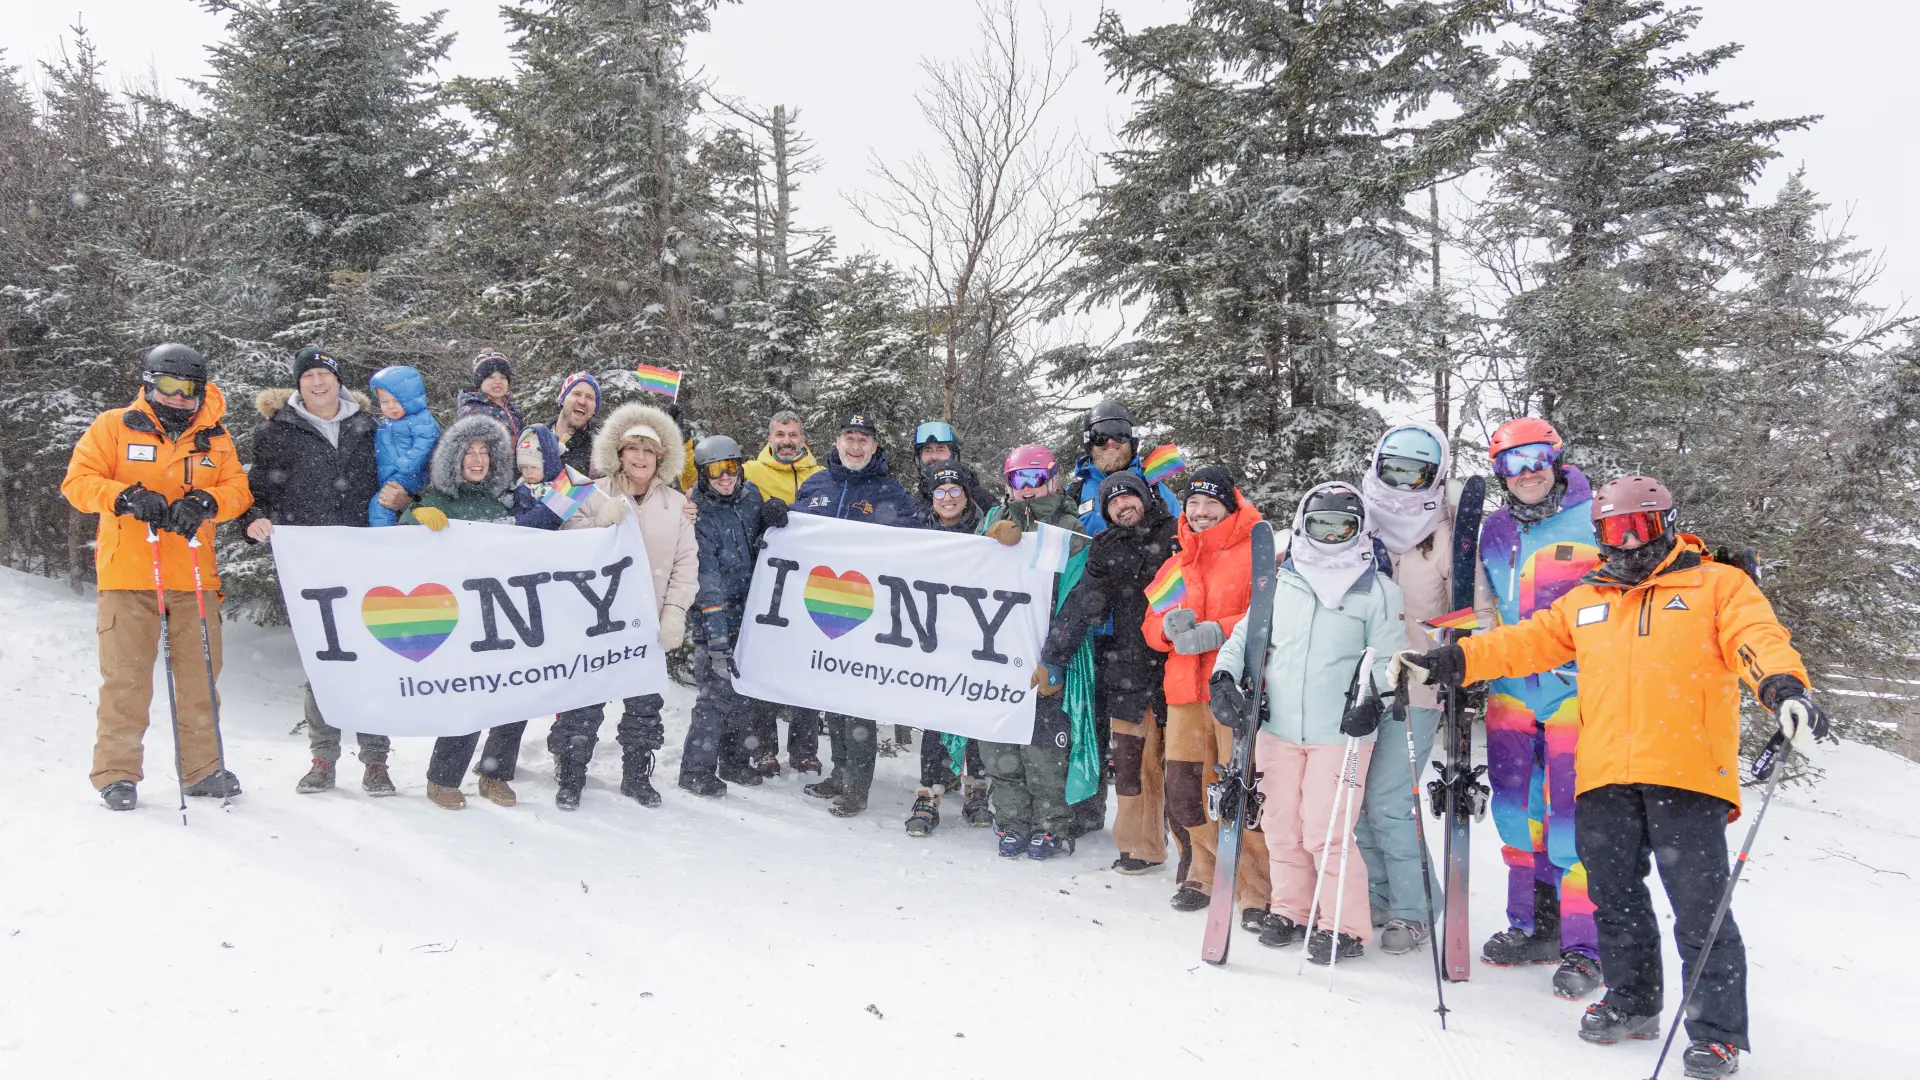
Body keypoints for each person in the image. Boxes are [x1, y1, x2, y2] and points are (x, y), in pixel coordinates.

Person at [1390, 476, 1822, 1079]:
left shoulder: (1715, 585)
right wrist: (1452, 660)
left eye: (1639, 528)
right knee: (1614, 898)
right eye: (1613, 532)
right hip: (1604, 774)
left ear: (1665, 525)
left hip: (1686, 771)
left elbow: (1757, 638)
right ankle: (1632, 1002)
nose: (1626, 543)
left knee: (1700, 908)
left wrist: (1783, 688)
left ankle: (1718, 1032)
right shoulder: (1587, 599)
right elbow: (1524, 644)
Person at [1211, 482, 1403, 963]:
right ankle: (1291, 910)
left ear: (1358, 532)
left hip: (1339, 732)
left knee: (1326, 831)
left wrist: (1373, 701)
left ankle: (1344, 925)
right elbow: (1245, 637)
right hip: (1278, 729)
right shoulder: (1280, 582)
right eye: (1321, 525)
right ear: (1303, 525)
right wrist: (1223, 676)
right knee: (1280, 827)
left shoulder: (1376, 590)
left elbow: (1387, 659)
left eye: (1344, 527)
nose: (1331, 536)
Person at [61, 343, 252, 810]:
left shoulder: (216, 437)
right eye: (168, 386)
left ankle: (203, 770)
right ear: (149, 384)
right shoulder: (114, 426)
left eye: (189, 389)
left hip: (193, 573)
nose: (179, 398)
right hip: (130, 572)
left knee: (200, 678)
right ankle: (117, 774)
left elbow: (238, 491)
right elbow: (78, 483)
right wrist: (124, 497)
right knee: (126, 679)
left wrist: (207, 503)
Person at [1468, 417, 1605, 996]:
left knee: (1573, 817)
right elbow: (1488, 606)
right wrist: (1468, 655)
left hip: (1581, 690)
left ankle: (1585, 946)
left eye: (1536, 459)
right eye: (1511, 463)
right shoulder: (1495, 529)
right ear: (1499, 471)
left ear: (1556, 457)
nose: (1526, 474)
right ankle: (1533, 925)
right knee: (1516, 811)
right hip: (1511, 689)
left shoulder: (1598, 516)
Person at [238, 347, 399, 796]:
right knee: (323, 659)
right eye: (307, 375)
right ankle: (323, 757)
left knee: (371, 656)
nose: (317, 382)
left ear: (338, 382)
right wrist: (252, 519)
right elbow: (257, 491)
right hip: (310, 563)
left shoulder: (369, 427)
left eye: (324, 374)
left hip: (367, 558)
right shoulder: (275, 432)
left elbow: (398, 476)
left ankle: (376, 761)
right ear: (298, 384)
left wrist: (406, 503)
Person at [545, 402, 698, 810]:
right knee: (585, 702)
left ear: (662, 456)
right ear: (619, 451)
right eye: (633, 448)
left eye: (649, 450)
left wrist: (675, 613)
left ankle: (636, 777)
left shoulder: (676, 505)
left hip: (649, 623)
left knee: (644, 708)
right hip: (598, 622)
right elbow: (566, 545)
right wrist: (598, 523)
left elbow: (686, 564)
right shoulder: (594, 494)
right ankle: (572, 773)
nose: (641, 457)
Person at [1142, 466, 1271, 924]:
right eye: (1193, 503)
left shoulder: (1257, 553)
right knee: (1184, 792)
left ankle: (1256, 889)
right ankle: (1206, 869)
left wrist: (1221, 631)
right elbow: (1150, 625)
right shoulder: (1177, 560)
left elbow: (1271, 615)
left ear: (1229, 505)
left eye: (1210, 504)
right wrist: (1168, 633)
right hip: (1183, 693)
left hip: (1233, 689)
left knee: (1242, 791)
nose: (1199, 512)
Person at [1352, 421, 1456, 955]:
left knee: (1389, 801)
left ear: (1434, 475)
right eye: (1393, 468)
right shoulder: (1356, 519)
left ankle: (1414, 910)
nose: (1402, 483)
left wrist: (1452, 657)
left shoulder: (1446, 532)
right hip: (1359, 689)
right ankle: (1382, 897)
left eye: (1416, 473)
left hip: (1414, 688)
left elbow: (1473, 611)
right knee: (1355, 801)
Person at [1041, 470, 1178, 872]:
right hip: (1128, 669)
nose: (1123, 505)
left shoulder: (1175, 534)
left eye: (1128, 497)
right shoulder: (1106, 546)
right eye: (1113, 502)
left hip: (1178, 669)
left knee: (1185, 772)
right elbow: (1086, 604)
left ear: (1144, 497)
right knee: (1133, 768)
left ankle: (1196, 862)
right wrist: (1055, 654)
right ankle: (1140, 847)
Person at [792, 412, 920, 816]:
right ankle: (840, 771)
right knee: (832, 693)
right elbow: (790, 536)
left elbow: (914, 546)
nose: (856, 445)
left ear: (875, 446)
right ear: (837, 440)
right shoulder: (816, 484)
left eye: (864, 439)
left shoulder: (890, 492)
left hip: (869, 610)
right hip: (821, 607)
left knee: (858, 696)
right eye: (849, 437)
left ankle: (857, 787)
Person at [402, 414, 527, 810]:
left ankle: (495, 775)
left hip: (505, 616)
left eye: (484, 452)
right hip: (459, 618)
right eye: (469, 452)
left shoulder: (501, 500)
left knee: (517, 696)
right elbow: (396, 546)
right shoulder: (439, 499)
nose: (477, 459)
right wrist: (413, 517)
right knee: (469, 699)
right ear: (454, 458)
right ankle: (442, 778)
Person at [982, 445, 1090, 858]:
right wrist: (990, 543)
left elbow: (1079, 589)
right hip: (996, 649)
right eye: (1017, 480)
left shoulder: (1069, 526)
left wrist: (1057, 652)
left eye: (1035, 479)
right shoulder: (995, 518)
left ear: (1052, 479)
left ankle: (1051, 823)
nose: (1027, 490)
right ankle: (1011, 819)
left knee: (1044, 746)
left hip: (1046, 649)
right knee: (1000, 742)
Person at [680, 434, 789, 797]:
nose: (725, 478)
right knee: (715, 692)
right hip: (714, 612)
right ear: (702, 474)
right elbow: (705, 579)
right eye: (715, 471)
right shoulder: (699, 514)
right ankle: (695, 768)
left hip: (749, 609)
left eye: (731, 468)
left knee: (743, 691)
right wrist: (717, 639)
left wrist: (774, 513)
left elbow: (763, 536)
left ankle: (734, 759)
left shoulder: (750, 495)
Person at [902, 461, 993, 836]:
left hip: (980, 636)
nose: (948, 498)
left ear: (966, 494)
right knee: (938, 713)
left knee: (976, 711)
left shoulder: (987, 528)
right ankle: (929, 792)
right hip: (935, 637)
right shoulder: (920, 532)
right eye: (940, 492)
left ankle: (977, 790)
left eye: (955, 490)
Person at [1062, 400, 1180, 536]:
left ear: (1133, 438)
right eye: (1099, 435)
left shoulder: (1156, 492)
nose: (1110, 442)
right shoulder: (1073, 496)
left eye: (1120, 434)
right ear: (1089, 442)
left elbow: (1183, 544)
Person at [366, 364, 439, 527]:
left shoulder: (422, 421)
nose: (390, 406)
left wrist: (409, 463)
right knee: (382, 504)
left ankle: (385, 540)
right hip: (393, 475)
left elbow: (425, 443)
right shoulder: (387, 424)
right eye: (384, 402)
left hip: (411, 476)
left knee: (379, 506)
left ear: (411, 399)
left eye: (396, 401)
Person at [741, 410, 824, 507]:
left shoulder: (822, 475)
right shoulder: (749, 472)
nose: (786, 441)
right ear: (770, 439)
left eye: (793, 435)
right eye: (780, 434)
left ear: (802, 440)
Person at [455, 349, 525, 438]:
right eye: (491, 377)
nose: (498, 381)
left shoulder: (513, 408)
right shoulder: (471, 411)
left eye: (503, 377)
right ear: (480, 382)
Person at [552, 371, 602, 477]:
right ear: (562, 399)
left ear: (594, 410)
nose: (582, 401)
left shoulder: (599, 449)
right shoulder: (537, 434)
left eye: (589, 397)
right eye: (576, 394)